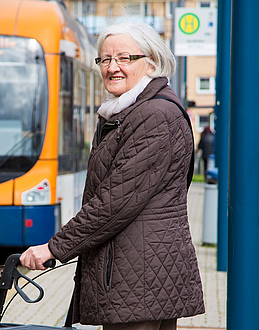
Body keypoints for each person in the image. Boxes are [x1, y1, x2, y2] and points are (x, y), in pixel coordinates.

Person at [20, 22, 205, 330]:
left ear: (151, 62)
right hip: (142, 275)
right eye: (105, 59)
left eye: (124, 58)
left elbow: (113, 203)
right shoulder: (128, 112)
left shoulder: (152, 116)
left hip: (139, 277)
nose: (113, 67)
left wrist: (54, 248)